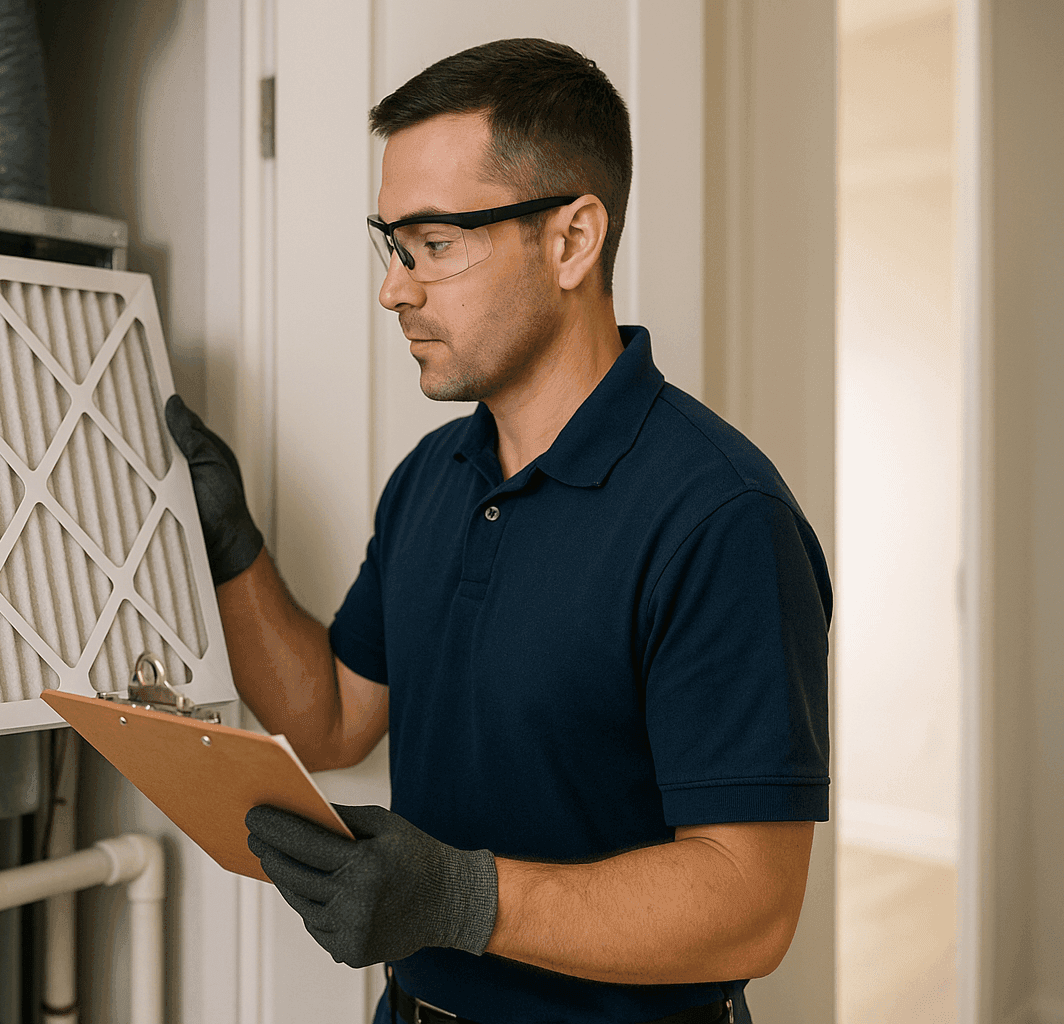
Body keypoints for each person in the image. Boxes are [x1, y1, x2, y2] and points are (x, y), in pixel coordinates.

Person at [165, 37, 829, 1024]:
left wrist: (461, 895)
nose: (395, 287)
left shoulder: (720, 514)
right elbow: (331, 721)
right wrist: (233, 546)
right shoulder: (432, 479)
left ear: (571, 240)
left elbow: (751, 906)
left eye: (435, 244)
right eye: (393, 244)